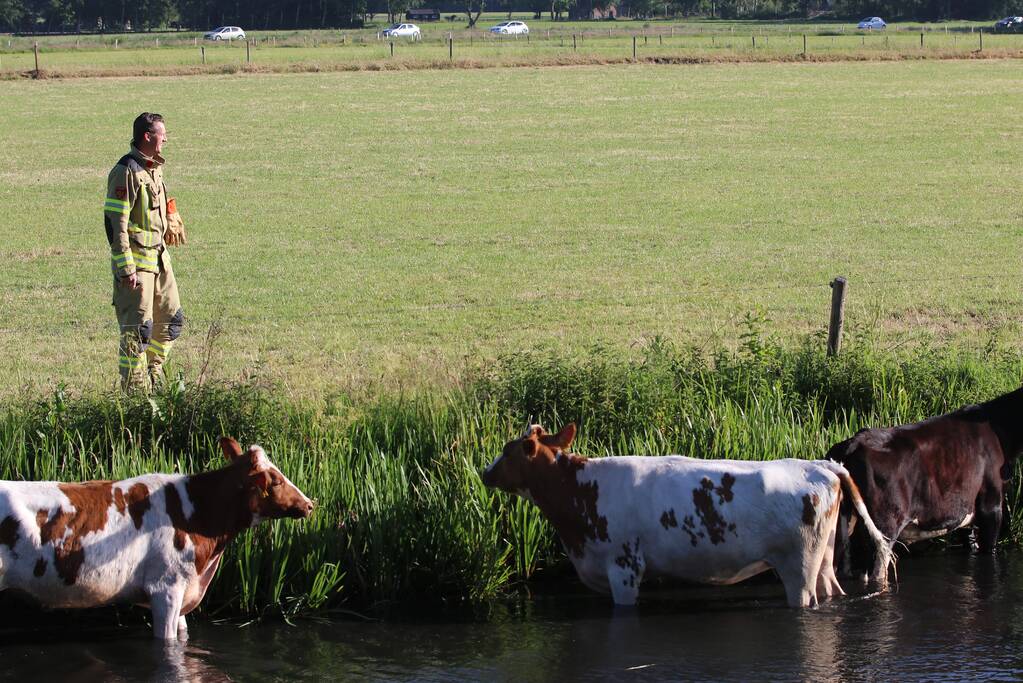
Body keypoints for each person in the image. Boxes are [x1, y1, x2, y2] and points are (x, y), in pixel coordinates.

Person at [103, 112, 187, 392]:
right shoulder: (125, 171)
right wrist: (126, 269)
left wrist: (170, 215)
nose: (166, 138)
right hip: (137, 270)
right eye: (163, 133)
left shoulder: (153, 168)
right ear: (148, 137)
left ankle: (154, 376)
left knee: (172, 320)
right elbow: (116, 225)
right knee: (137, 334)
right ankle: (135, 395)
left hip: (160, 261)